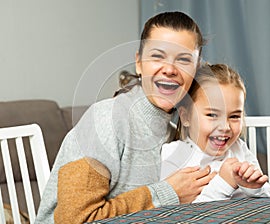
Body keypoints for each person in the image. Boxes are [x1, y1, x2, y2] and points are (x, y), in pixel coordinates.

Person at [35, 11, 216, 224]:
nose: (169, 69)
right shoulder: (105, 120)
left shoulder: (174, 132)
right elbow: (74, 219)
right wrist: (168, 193)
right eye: (157, 56)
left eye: (184, 60)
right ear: (139, 63)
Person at [160, 63, 270, 203]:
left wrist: (255, 189)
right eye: (212, 115)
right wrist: (224, 183)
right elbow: (177, 215)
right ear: (186, 117)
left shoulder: (239, 148)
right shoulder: (173, 155)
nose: (225, 127)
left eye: (234, 117)